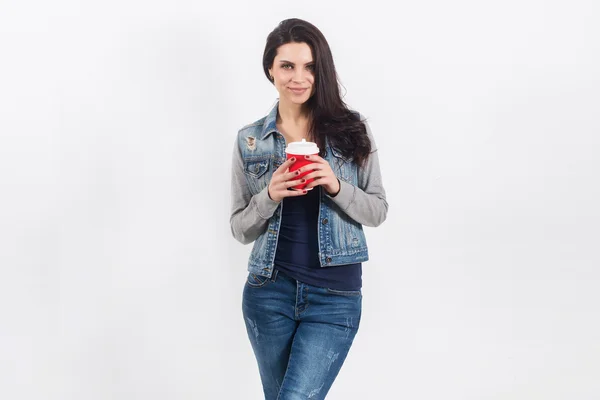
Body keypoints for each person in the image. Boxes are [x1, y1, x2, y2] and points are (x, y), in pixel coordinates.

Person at [230, 18, 388, 400]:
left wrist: (335, 185)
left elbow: (378, 211)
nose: (298, 77)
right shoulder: (251, 140)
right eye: (287, 66)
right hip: (268, 293)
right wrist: (269, 195)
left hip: (334, 298)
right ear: (270, 68)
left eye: (310, 66)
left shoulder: (352, 131)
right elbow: (239, 229)